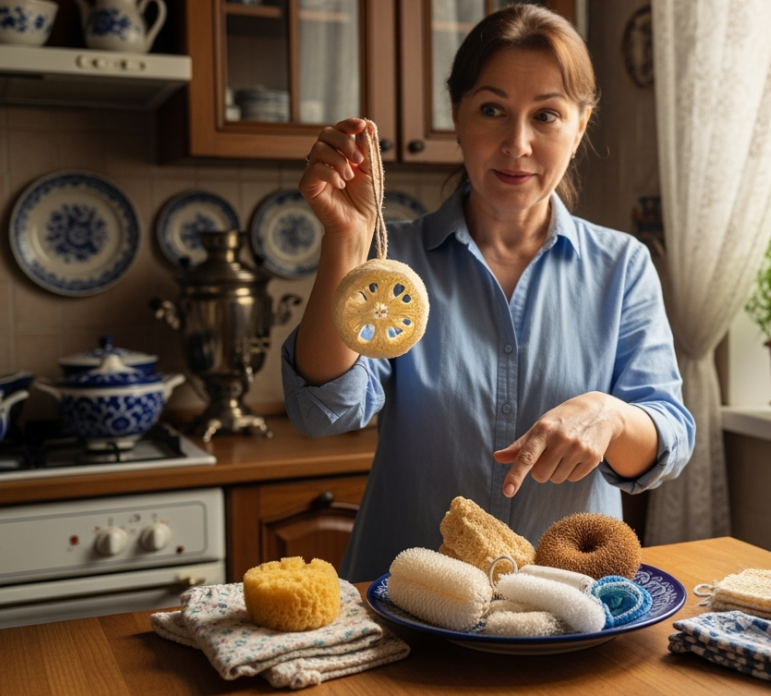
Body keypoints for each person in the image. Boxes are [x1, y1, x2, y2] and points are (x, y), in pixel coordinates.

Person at [283, 4, 694, 582]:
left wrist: (609, 415)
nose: (517, 143)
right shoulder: (391, 261)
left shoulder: (623, 265)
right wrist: (346, 241)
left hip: (566, 605)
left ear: (580, 125)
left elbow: (668, 437)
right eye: (492, 109)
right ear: (457, 117)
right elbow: (324, 412)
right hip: (406, 605)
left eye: (546, 115)